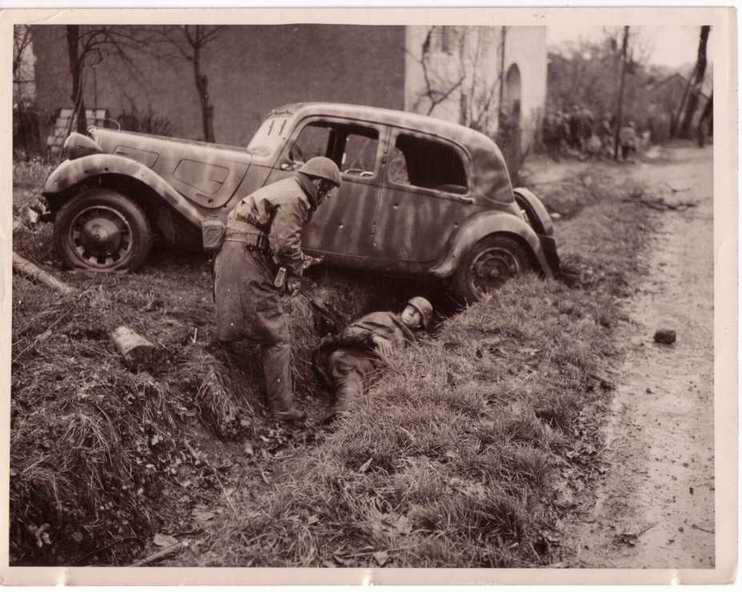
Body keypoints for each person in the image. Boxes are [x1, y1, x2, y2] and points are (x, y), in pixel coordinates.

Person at [214, 156, 342, 423]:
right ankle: (283, 410)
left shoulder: (287, 189)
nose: (327, 196)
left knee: (238, 322)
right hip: (245, 257)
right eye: (327, 189)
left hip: (239, 253)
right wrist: (297, 268)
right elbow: (283, 244)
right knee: (277, 336)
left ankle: (234, 367)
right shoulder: (297, 198)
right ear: (318, 183)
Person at [314, 297, 434, 423]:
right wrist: (372, 337)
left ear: (420, 323)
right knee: (346, 368)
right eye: (410, 308)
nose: (410, 313)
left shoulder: (414, 344)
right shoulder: (383, 318)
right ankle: (343, 414)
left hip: (380, 376)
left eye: (417, 314)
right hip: (356, 359)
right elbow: (349, 332)